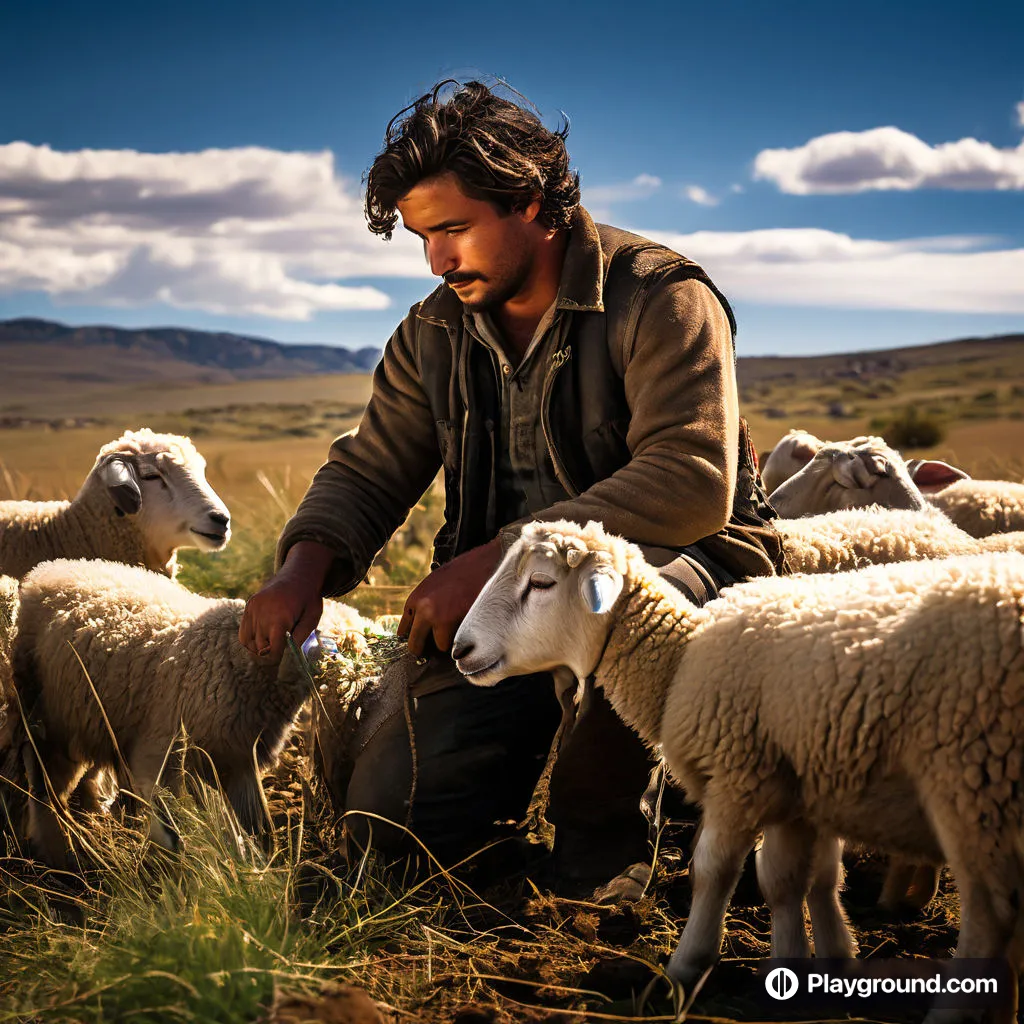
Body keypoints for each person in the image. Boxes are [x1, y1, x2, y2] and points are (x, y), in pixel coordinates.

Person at [239, 79, 786, 893]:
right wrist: (300, 572)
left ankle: (618, 856)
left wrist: (493, 560)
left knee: (613, 617)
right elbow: (369, 466)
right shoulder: (432, 331)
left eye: (455, 229)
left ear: (530, 201)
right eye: (424, 237)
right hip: (498, 600)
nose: (437, 260)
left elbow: (691, 480)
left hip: (680, 574)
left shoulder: (662, 297)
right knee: (391, 828)